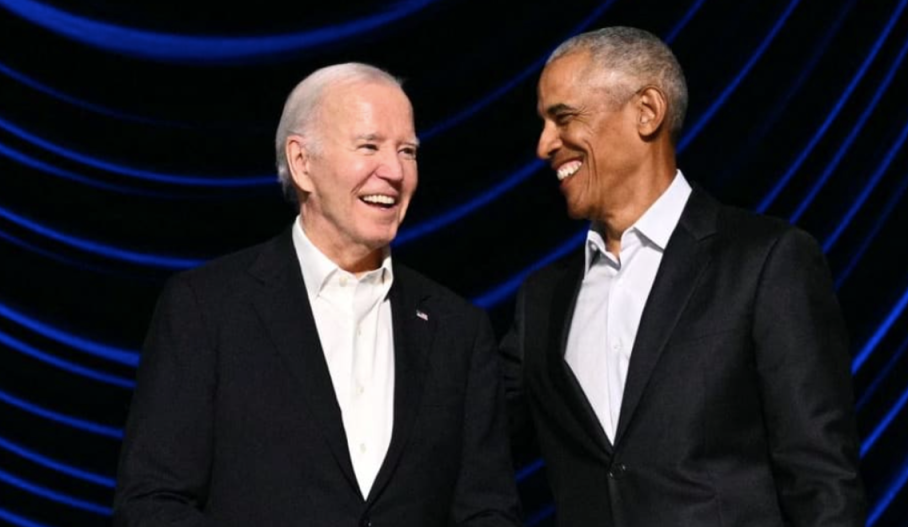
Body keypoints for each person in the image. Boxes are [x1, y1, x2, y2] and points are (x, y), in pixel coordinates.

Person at [114, 63, 521, 527]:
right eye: (369, 146)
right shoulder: (207, 308)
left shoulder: (458, 331)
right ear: (302, 162)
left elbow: (488, 512)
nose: (393, 171)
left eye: (407, 151)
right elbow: (150, 502)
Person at [500, 27, 866, 526]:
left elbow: (821, 480)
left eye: (563, 117)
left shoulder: (765, 262)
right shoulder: (542, 301)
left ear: (647, 112)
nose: (544, 144)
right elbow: (465, 435)